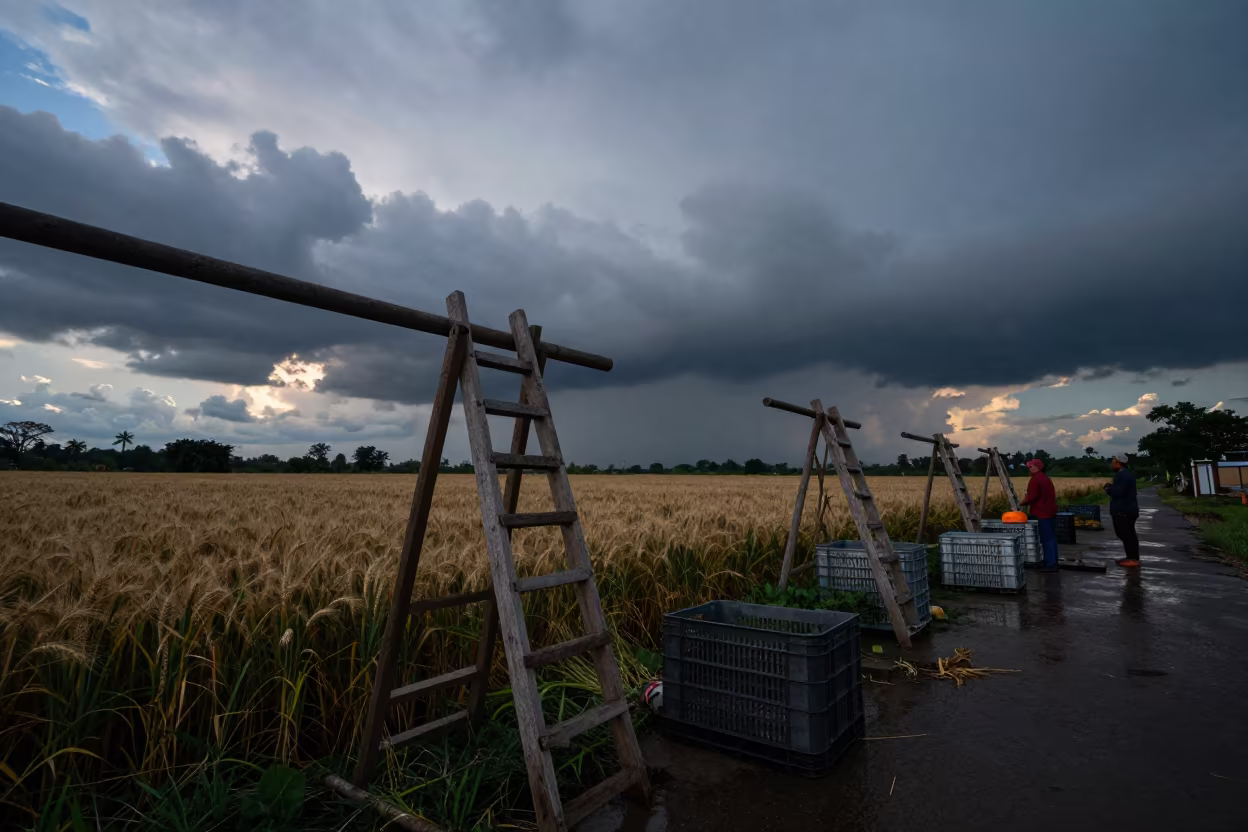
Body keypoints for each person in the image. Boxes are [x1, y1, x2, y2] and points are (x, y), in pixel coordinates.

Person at [1020, 457, 1059, 572]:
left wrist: (1021, 503)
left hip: (1042, 512)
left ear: (1037, 467)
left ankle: (1050, 563)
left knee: (1047, 539)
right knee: (1051, 537)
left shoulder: (1035, 479)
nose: (1029, 468)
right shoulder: (1045, 478)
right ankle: (1053, 560)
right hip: (1050, 511)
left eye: (1031, 466)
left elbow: (1032, 496)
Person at [1104, 453, 1140, 567]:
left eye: (1113, 461)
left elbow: (1119, 492)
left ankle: (1133, 559)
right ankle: (1132, 557)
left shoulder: (1122, 475)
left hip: (1123, 510)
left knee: (1125, 534)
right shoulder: (1125, 474)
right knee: (1129, 534)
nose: (1112, 463)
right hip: (1128, 509)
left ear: (1118, 463)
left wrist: (1108, 489)